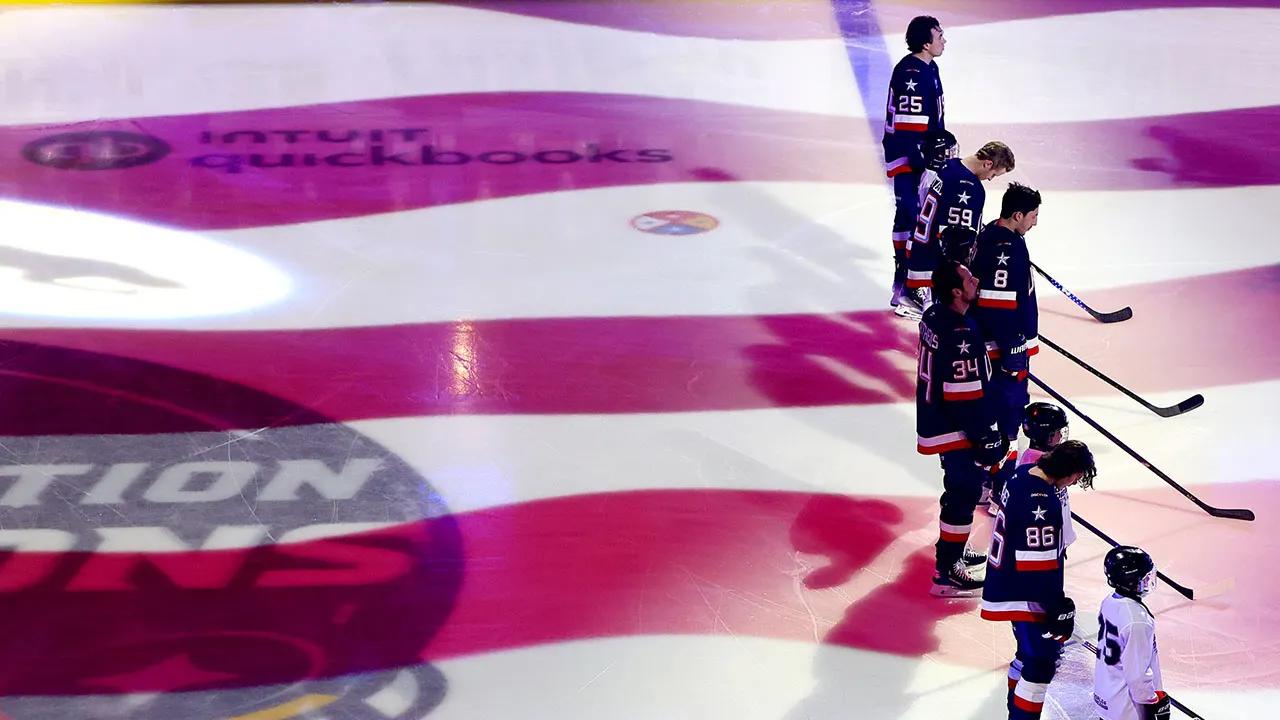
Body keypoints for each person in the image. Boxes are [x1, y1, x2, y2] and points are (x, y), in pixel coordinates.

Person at [982, 440, 1097, 719]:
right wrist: (1055, 606)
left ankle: (1015, 711)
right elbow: (1036, 564)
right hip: (1026, 594)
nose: (1073, 483)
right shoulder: (1042, 502)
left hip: (1006, 581)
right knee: (1040, 664)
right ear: (1070, 473)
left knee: (1025, 656)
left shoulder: (1022, 474)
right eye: (1076, 477)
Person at [915, 259, 1008, 596]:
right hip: (956, 430)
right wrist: (985, 437)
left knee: (958, 491)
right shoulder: (960, 333)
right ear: (956, 292)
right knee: (963, 493)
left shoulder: (933, 316)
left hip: (939, 422)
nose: (976, 279)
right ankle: (948, 568)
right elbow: (964, 396)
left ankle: (952, 549)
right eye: (969, 278)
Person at [971, 182, 1043, 505]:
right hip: (1001, 351)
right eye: (1033, 215)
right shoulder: (1007, 248)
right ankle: (999, 486)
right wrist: (1014, 349)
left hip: (996, 346)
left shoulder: (993, 234)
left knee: (997, 417)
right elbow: (997, 304)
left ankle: (988, 482)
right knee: (1007, 419)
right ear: (1017, 215)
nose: (1035, 222)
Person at [900, 141, 1016, 313]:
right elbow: (955, 240)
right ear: (988, 163)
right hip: (933, 267)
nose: (991, 179)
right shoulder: (970, 188)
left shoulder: (950, 165)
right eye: (994, 174)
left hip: (919, 252)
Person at [884, 15, 948, 308]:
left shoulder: (929, 67)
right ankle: (907, 284)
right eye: (939, 36)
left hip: (922, 156)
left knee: (921, 217)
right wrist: (925, 167)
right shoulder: (912, 72)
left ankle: (915, 280)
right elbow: (909, 129)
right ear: (925, 43)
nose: (944, 40)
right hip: (911, 157)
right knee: (911, 214)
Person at [1094, 546, 1169, 720]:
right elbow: (1137, 676)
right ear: (1131, 580)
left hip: (1107, 698)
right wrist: (1152, 703)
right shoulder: (1137, 620)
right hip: (1127, 709)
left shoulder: (1109, 602)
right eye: (1144, 577)